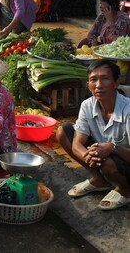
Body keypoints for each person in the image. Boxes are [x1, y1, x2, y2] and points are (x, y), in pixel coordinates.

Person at [56, 60, 130, 210]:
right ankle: (100, 180)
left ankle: (125, 189)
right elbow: (77, 143)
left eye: (105, 78)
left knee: (107, 161)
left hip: (124, 162)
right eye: (93, 80)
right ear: (88, 86)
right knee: (63, 131)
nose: (98, 85)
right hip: (102, 157)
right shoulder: (87, 105)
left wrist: (113, 148)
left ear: (116, 83)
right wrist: (89, 156)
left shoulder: (128, 110)